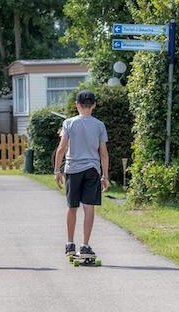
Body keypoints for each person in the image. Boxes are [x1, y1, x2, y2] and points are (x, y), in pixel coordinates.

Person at [54, 90, 110, 257]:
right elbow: (104, 153)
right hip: (92, 169)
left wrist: (57, 170)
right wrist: (105, 175)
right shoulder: (99, 125)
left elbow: (62, 148)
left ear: (76, 105)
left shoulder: (69, 123)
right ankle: (85, 246)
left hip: (72, 169)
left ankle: (70, 244)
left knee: (72, 206)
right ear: (93, 105)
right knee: (88, 207)